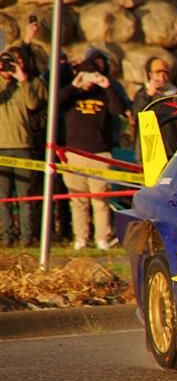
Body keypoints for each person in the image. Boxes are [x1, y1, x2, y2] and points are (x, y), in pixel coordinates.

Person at [59, 51, 128, 250]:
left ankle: (102, 238)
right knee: (77, 199)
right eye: (85, 75)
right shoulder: (70, 95)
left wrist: (108, 87)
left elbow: (118, 110)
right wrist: (74, 86)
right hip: (74, 154)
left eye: (92, 76)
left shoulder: (103, 94)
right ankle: (80, 238)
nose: (89, 81)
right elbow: (53, 103)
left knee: (101, 199)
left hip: (100, 154)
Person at [0, 48, 48, 247]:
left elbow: (33, 105)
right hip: (1, 148)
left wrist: (22, 80)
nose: (9, 67)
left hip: (23, 146)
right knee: (2, 198)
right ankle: (7, 237)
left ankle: (26, 238)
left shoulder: (29, 83)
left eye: (14, 62)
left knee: (25, 196)